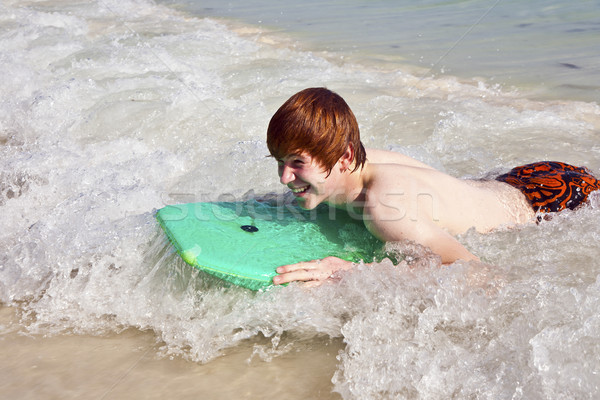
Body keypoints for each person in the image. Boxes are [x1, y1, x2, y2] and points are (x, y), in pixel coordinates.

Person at [267, 87, 600, 286]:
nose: (285, 177)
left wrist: (351, 273)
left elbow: (475, 273)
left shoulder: (385, 209)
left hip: (553, 203)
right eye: (280, 162)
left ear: (345, 155)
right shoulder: (360, 167)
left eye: (297, 163)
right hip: (521, 178)